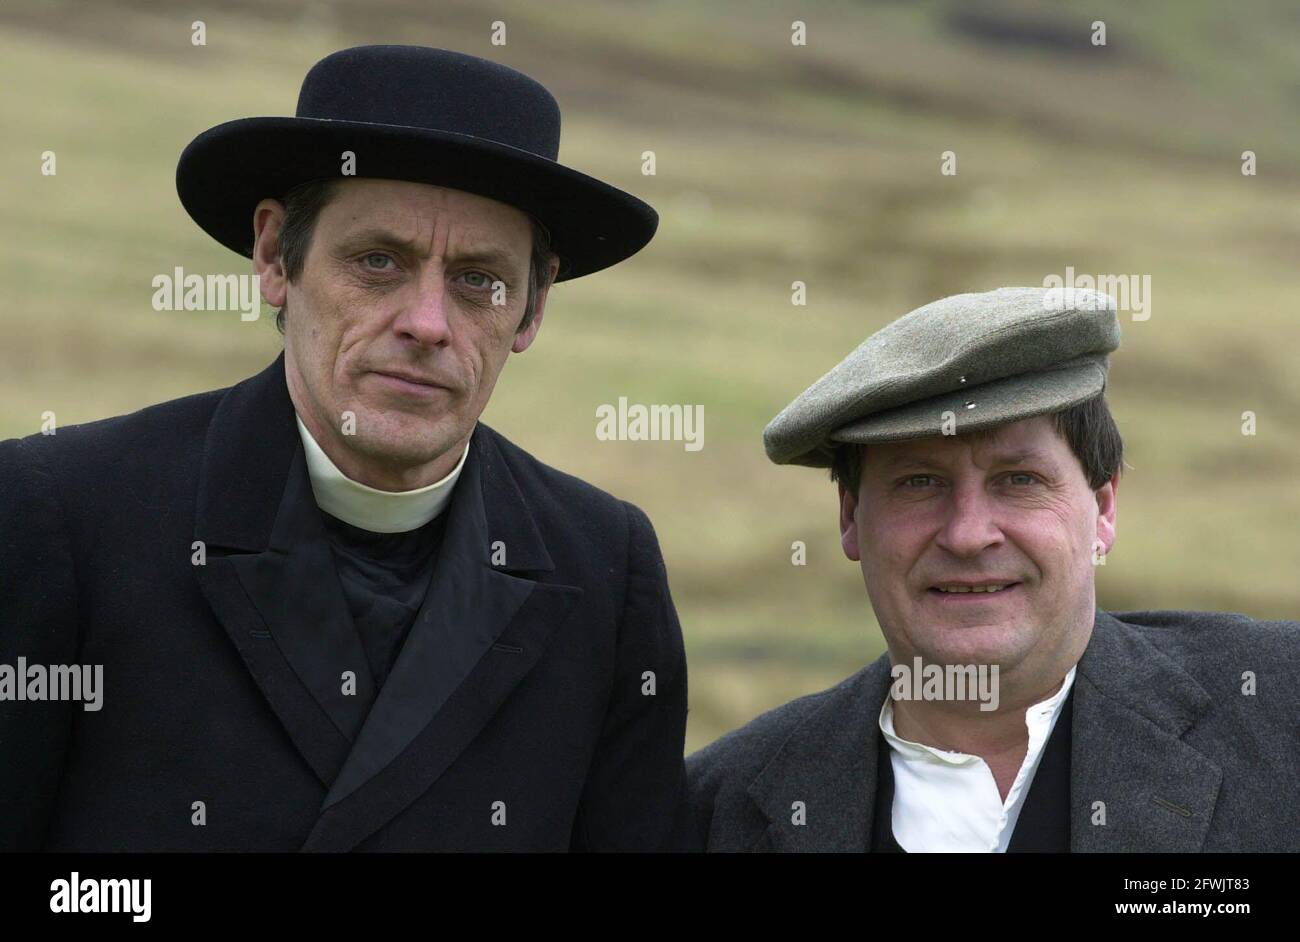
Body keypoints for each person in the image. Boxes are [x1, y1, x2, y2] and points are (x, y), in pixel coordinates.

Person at [0, 45, 688, 851]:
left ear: (532, 309)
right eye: (377, 262)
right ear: (273, 256)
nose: (427, 323)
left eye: (478, 280)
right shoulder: (63, 515)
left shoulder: (606, 571)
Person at [686, 286, 1299, 852]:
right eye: (919, 482)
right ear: (850, 517)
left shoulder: (1280, 710)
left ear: (1103, 507)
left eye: (1019, 480)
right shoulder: (715, 811)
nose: (968, 534)